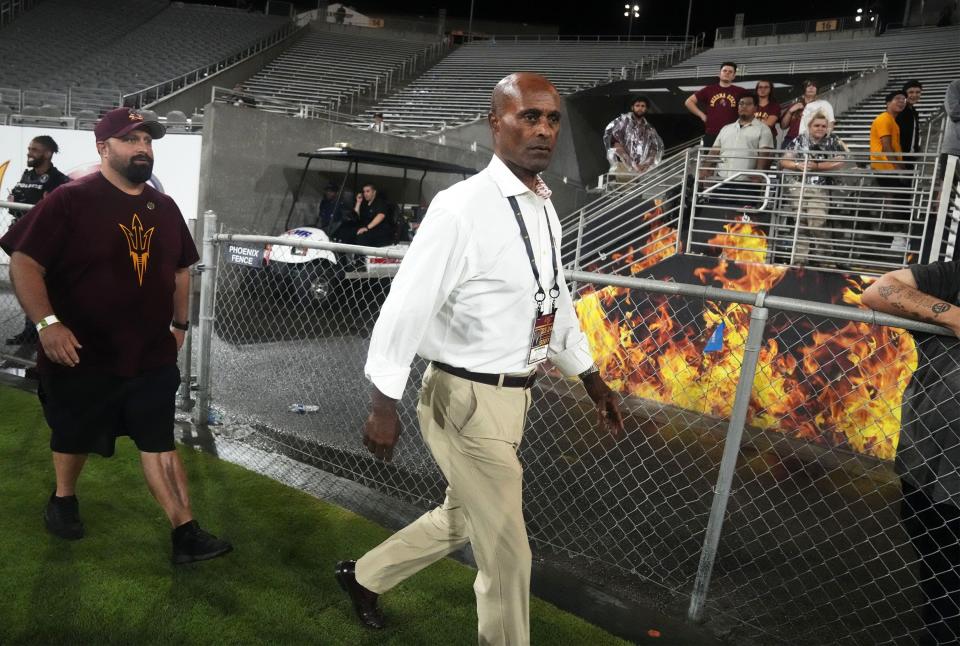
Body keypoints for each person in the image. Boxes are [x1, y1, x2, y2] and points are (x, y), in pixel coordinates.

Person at [333, 73, 624, 643]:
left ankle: (364, 578)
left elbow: (554, 298)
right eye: (528, 117)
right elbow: (405, 308)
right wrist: (382, 405)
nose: (542, 129)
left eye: (552, 119)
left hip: (512, 398)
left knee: (463, 518)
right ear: (496, 123)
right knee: (509, 554)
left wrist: (590, 377)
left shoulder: (543, 206)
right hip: (463, 397)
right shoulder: (461, 207)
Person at [0, 107, 232, 564]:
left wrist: (180, 325)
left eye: (147, 141)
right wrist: (48, 324)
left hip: (149, 355)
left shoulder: (164, 208)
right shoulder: (70, 199)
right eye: (131, 140)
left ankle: (185, 532)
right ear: (103, 148)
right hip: (81, 352)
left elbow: (182, 270)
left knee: (159, 440)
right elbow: (25, 261)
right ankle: (63, 500)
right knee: (73, 434)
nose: (143, 148)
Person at [861, 261, 960, 645]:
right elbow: (876, 291)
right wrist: (953, 317)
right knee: (941, 581)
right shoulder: (953, 277)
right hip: (930, 472)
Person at [5, 135, 72, 346]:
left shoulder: (59, 180)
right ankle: (30, 331)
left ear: (47, 153)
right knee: (23, 285)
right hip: (21, 238)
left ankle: (49, 331)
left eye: (34, 150)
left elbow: (52, 212)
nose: (29, 153)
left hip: (44, 243)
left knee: (43, 288)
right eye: (29, 149)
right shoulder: (27, 175)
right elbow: (15, 201)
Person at [781, 112, 848, 265]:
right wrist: (797, 165)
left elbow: (841, 162)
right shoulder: (799, 139)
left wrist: (818, 166)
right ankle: (799, 261)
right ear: (809, 126)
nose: (820, 128)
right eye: (816, 125)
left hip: (821, 188)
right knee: (801, 225)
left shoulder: (834, 140)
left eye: (823, 126)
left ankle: (825, 258)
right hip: (798, 186)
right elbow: (784, 160)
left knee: (817, 221)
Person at [684, 62, 747, 148]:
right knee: (709, 160)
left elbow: (752, 106)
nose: (727, 73)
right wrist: (702, 115)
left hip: (732, 133)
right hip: (712, 132)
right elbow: (689, 102)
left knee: (729, 160)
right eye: (724, 71)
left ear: (734, 76)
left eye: (730, 72)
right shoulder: (709, 89)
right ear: (719, 74)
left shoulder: (741, 91)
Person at [602, 95, 664, 174]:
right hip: (624, 166)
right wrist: (631, 164)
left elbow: (655, 147)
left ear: (646, 109)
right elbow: (615, 143)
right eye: (637, 105)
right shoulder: (622, 122)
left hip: (642, 170)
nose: (640, 108)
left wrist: (646, 164)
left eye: (643, 106)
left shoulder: (649, 128)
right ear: (632, 107)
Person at [336, 183, 394, 249]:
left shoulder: (380, 202)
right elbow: (356, 216)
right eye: (364, 192)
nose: (365, 193)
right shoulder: (364, 204)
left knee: (361, 237)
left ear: (374, 192)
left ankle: (359, 258)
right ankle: (343, 257)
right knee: (345, 232)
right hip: (366, 229)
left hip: (379, 231)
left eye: (368, 191)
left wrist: (367, 228)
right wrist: (358, 202)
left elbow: (381, 216)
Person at [781, 80, 835, 149]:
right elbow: (783, 126)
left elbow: (831, 124)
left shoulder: (825, 104)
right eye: (808, 85)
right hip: (791, 139)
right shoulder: (795, 105)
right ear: (804, 89)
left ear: (817, 89)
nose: (811, 88)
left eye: (814, 86)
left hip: (813, 142)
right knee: (785, 159)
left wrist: (822, 140)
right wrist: (790, 111)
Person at [897, 80, 923, 155]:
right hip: (898, 156)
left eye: (918, 92)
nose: (914, 95)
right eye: (911, 92)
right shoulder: (899, 110)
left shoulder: (914, 112)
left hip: (909, 155)